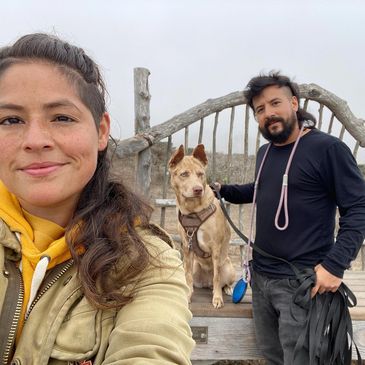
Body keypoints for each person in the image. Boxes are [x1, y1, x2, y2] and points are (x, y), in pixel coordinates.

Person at [0, 33, 194, 365]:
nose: (34, 140)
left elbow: (152, 350)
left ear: (102, 131)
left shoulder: (146, 263)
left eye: (61, 117)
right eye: (10, 120)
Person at [215, 72, 365, 364]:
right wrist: (222, 190)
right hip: (261, 280)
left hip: (303, 283)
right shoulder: (265, 152)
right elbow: (260, 190)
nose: (268, 113)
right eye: (260, 109)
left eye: (275, 103)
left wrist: (335, 265)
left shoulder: (328, 150)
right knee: (272, 357)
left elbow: (359, 208)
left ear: (294, 103)